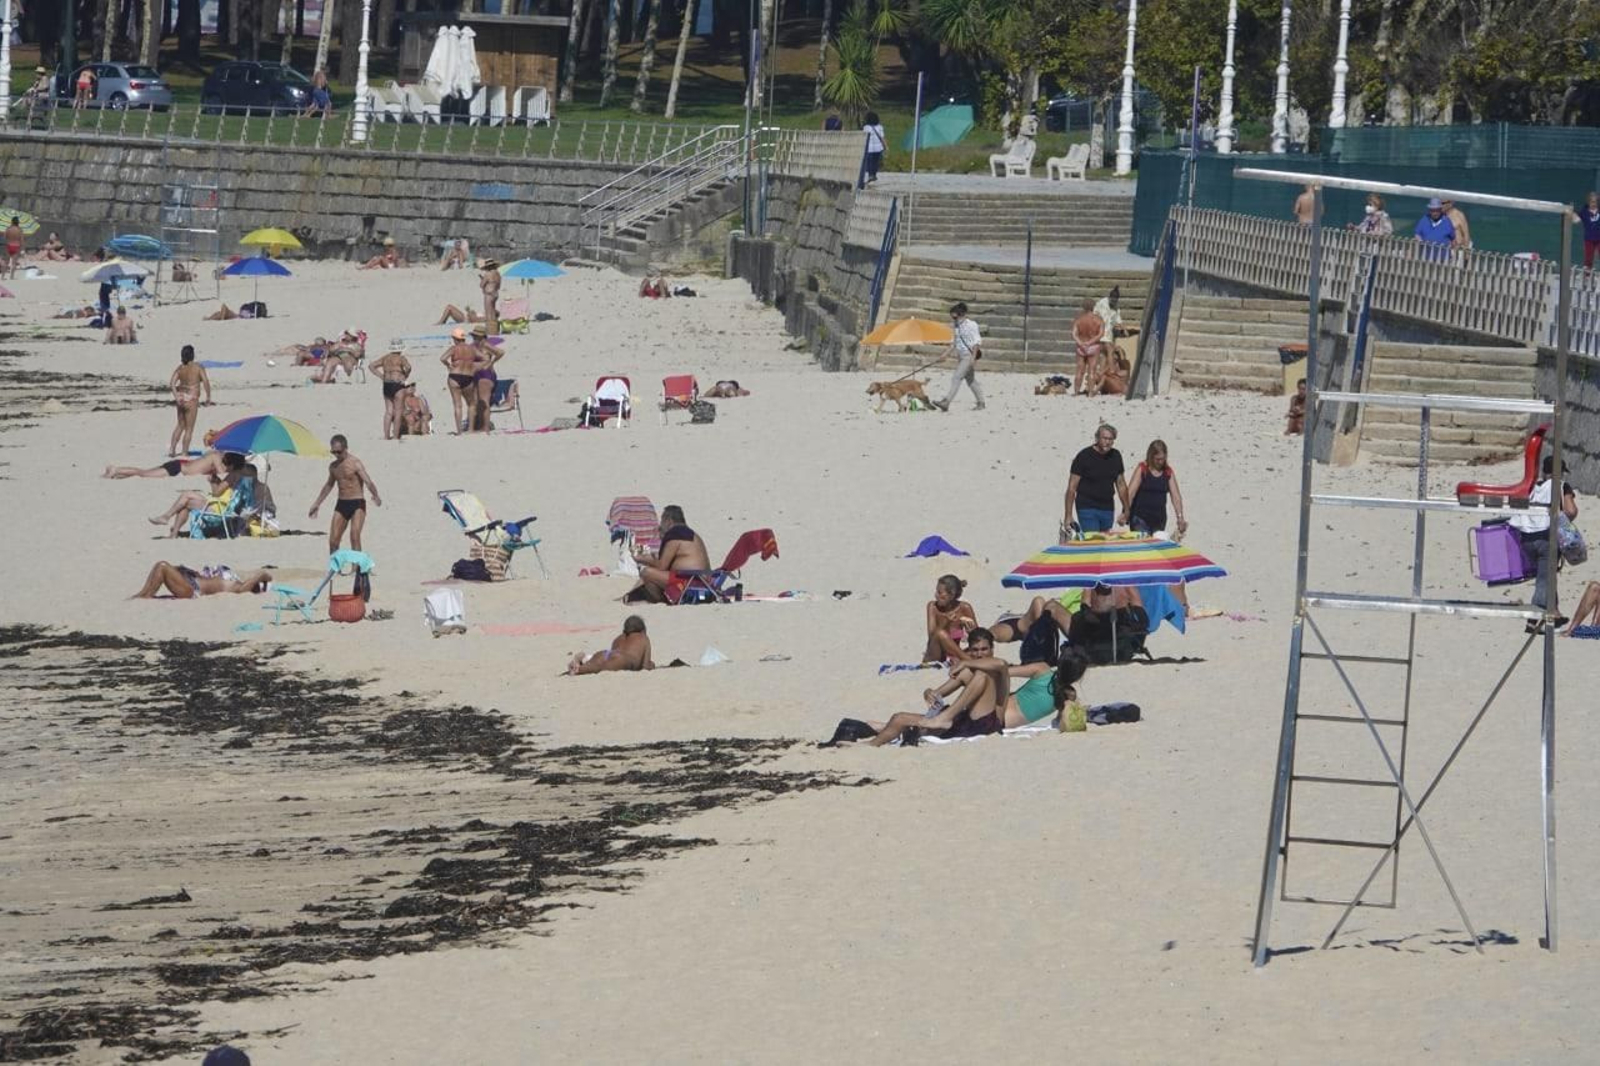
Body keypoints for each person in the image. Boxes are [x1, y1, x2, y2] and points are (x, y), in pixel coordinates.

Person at [1510, 455, 1577, 632]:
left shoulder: (1534, 487)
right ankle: (1534, 621)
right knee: (1544, 580)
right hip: (1546, 538)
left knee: (1547, 576)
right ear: (1560, 472)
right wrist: (1564, 523)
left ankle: (1554, 613)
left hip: (1526, 539)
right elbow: (1571, 510)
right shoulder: (1562, 486)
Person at [308, 434, 382, 554]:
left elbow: (368, 481)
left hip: (357, 502)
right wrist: (317, 503)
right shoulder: (333, 467)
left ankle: (356, 569)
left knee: (354, 535)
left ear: (346, 448)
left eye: (339, 452)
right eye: (333, 452)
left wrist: (376, 495)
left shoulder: (355, 463)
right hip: (341, 503)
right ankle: (335, 569)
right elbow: (329, 485)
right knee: (333, 540)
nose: (336, 455)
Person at [626, 505, 711, 604]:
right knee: (653, 575)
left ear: (669, 521)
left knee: (646, 572)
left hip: (690, 581)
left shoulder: (675, 534)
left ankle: (661, 600)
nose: (660, 525)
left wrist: (641, 559)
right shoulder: (690, 534)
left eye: (662, 521)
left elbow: (662, 566)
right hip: (705, 583)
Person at [1063, 423, 1128, 537]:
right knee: (1093, 541)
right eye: (1105, 438)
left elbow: (1121, 484)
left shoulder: (1116, 456)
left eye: (1110, 439)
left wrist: (1126, 509)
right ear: (1097, 438)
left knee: (1105, 544)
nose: (1107, 442)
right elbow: (1072, 488)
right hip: (1087, 507)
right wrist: (1068, 515)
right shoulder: (1084, 456)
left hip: (1107, 508)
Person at [1121, 439, 1187, 538]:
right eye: (1157, 459)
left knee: (1157, 549)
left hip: (1159, 520)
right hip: (1140, 518)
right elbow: (1131, 492)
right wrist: (1125, 513)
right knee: (1143, 549)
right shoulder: (1142, 469)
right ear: (1151, 456)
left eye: (1162, 459)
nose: (1160, 462)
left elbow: (1176, 496)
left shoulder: (1167, 472)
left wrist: (1180, 517)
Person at [932, 302, 984, 412]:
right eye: (952, 317)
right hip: (960, 355)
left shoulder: (972, 325)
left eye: (955, 317)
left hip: (968, 355)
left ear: (962, 314)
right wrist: (945, 355)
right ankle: (981, 403)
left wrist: (973, 358)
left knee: (957, 377)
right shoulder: (956, 326)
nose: (954, 319)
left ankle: (946, 401)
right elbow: (954, 343)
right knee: (971, 380)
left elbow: (977, 342)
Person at [132, 561, 273, 599]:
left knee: (162, 566)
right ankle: (143, 594)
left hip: (192, 589)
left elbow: (246, 586)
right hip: (190, 581)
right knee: (160, 566)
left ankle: (144, 596)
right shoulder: (232, 578)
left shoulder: (236, 586)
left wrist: (263, 575)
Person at [567, 615, 655, 675]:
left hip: (606, 653)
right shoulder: (643, 638)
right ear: (643, 630)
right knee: (601, 668)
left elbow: (613, 654)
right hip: (623, 659)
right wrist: (652, 665)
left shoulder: (618, 638)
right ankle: (579, 669)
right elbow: (645, 666)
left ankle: (581, 664)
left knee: (595, 664)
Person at [923, 574, 978, 664]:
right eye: (937, 592)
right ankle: (970, 661)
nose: (936, 595)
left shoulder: (964, 608)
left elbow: (979, 640)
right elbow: (932, 636)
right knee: (941, 633)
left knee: (979, 649)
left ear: (951, 595)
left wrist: (971, 632)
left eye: (940, 593)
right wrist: (946, 622)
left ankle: (965, 659)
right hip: (935, 656)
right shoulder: (932, 607)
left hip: (954, 655)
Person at [168, 345, 212, 457]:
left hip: (181, 397)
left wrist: (176, 396)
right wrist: (208, 397)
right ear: (193, 355)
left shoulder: (180, 368)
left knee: (180, 425)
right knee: (189, 428)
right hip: (191, 399)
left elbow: (172, 383)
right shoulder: (198, 367)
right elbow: (206, 382)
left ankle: (172, 449)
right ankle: (184, 452)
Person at [106, 449, 243, 480]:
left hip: (179, 465)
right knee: (143, 474)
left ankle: (116, 474)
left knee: (145, 473)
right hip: (178, 469)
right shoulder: (216, 458)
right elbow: (221, 473)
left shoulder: (215, 453)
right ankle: (115, 469)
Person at [367, 346, 412, 441]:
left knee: (388, 412)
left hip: (387, 384)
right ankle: (395, 436)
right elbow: (408, 367)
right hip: (397, 384)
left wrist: (381, 376)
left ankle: (386, 436)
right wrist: (405, 375)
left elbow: (371, 366)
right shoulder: (401, 358)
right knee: (398, 411)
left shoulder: (385, 357)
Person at [440, 327, 478, 433]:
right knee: (471, 404)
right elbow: (484, 358)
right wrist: (475, 367)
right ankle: (470, 429)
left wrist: (448, 365)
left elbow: (442, 358)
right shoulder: (472, 349)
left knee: (457, 405)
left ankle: (459, 431)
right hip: (468, 376)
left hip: (454, 376)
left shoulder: (454, 348)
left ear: (455, 338)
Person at [469, 324, 504, 433]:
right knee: (475, 402)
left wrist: (491, 363)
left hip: (486, 374)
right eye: (474, 336)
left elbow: (500, 352)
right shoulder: (472, 346)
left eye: (476, 336)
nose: (475, 338)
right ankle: (476, 426)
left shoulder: (485, 345)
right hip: (475, 375)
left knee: (484, 401)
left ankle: (485, 428)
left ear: (482, 337)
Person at [1071, 299, 1104, 396]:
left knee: (1079, 371)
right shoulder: (1098, 320)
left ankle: (1076, 392)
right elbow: (1100, 334)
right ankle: (1090, 393)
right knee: (1092, 371)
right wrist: (1090, 342)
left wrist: (1081, 343)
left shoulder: (1079, 319)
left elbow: (1074, 333)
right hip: (1093, 346)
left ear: (1083, 307)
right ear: (1093, 307)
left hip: (1081, 347)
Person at [862, 111, 886, 184]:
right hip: (878, 148)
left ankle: (870, 175)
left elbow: (864, 138)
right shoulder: (880, 127)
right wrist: (885, 146)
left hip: (869, 148)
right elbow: (882, 137)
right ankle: (874, 175)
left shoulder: (866, 127)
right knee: (876, 162)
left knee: (870, 162)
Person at [1578, 192, 1600, 270]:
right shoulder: (1584, 212)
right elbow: (1576, 219)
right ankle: (1587, 274)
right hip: (1589, 238)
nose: (1594, 204)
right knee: (1588, 257)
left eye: (1595, 202)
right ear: (1589, 202)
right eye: (1592, 202)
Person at [479, 258, 501, 331]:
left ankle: (490, 330)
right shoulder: (498, 274)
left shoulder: (488, 274)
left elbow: (482, 285)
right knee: (493, 311)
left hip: (489, 293)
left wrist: (482, 279)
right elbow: (498, 286)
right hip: (495, 293)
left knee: (488, 312)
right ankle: (495, 329)